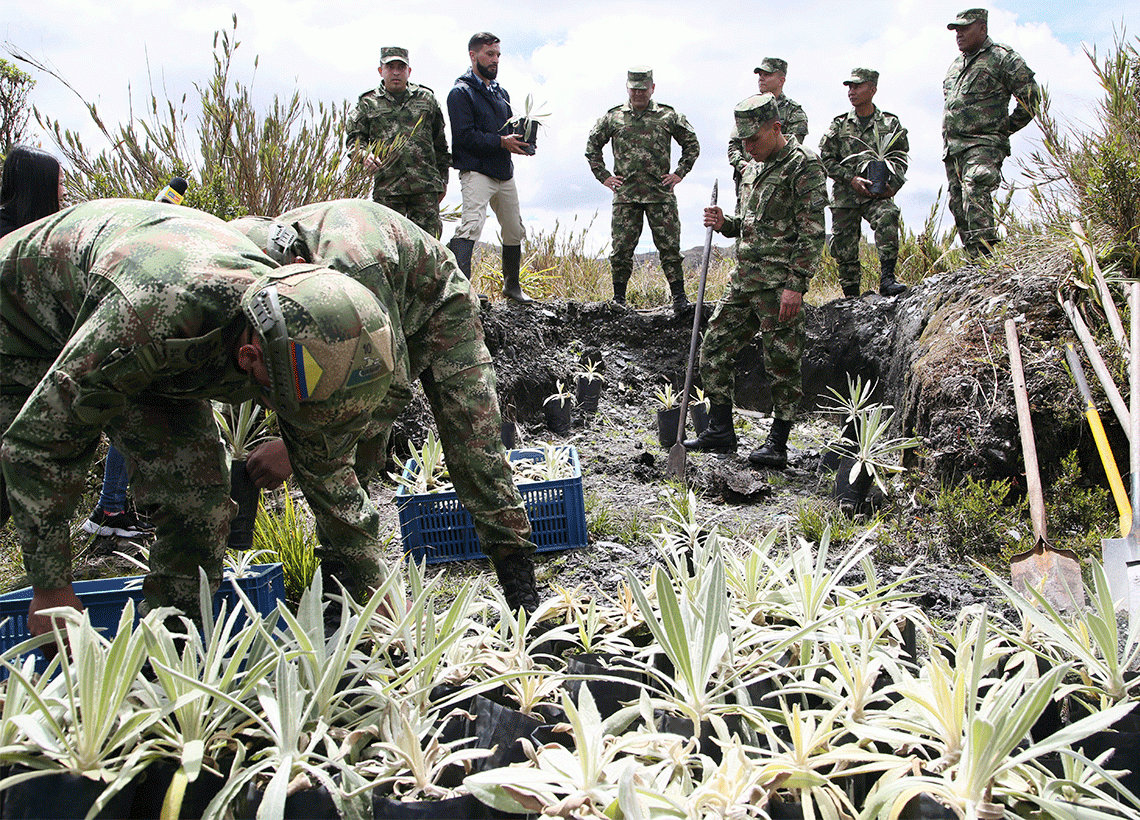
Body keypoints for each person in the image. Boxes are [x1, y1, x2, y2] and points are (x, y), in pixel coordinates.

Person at [0, 199, 395, 638]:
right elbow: (41, 444)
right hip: (20, 321)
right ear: (249, 357)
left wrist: (371, 581)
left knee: (199, 500)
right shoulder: (152, 319)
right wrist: (51, 587)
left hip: (144, 337)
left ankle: (173, 653)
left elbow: (327, 468)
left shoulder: (301, 330)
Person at [231, 200, 542, 612]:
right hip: (374, 316)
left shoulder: (347, 272)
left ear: (302, 266)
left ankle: (521, 588)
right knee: (343, 470)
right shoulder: (255, 261)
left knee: (475, 445)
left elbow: (386, 387)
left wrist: (293, 448)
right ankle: (343, 594)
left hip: (439, 310)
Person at [0, 146, 153, 538]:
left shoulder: (41, 235)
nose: (64, 194)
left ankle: (109, 507)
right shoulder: (20, 240)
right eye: (59, 185)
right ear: (39, 188)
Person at [684, 94, 827, 470]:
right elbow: (752, 226)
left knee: (781, 362)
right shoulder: (751, 167)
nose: (747, 147)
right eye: (743, 140)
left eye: (754, 139)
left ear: (777, 128)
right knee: (714, 348)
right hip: (743, 281)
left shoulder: (804, 165)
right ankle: (720, 429)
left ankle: (777, 444)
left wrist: (797, 284)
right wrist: (724, 222)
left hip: (778, 287)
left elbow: (812, 232)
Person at [585, 66, 700, 315]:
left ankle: (679, 298)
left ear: (652, 88)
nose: (638, 94)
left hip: (660, 194)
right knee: (621, 250)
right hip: (626, 196)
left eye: (643, 89)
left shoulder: (668, 116)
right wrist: (604, 176)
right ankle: (619, 300)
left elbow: (692, 144)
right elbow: (592, 147)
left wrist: (680, 173)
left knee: (670, 248)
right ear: (628, 88)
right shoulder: (613, 117)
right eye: (634, 89)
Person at [944, 8, 1040, 258]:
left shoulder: (1003, 58)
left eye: (965, 28)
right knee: (958, 203)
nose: (959, 34)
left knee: (975, 186)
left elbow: (1031, 98)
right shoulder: (955, 66)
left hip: (984, 144)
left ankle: (985, 259)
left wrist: (1003, 129)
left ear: (983, 28)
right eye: (956, 30)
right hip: (954, 148)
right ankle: (974, 261)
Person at [446, 31, 534, 304]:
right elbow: (464, 136)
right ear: (473, 55)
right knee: (471, 226)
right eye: (489, 55)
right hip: (476, 171)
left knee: (513, 228)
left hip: (503, 173)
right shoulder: (460, 93)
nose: (495, 60)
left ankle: (512, 287)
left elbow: (509, 130)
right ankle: (462, 292)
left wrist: (523, 142)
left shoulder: (501, 92)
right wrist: (501, 142)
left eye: (498, 55)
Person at [819, 68, 909, 298]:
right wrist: (850, 179)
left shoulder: (889, 123)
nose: (852, 91)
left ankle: (888, 279)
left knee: (888, 215)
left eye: (857, 86)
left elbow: (901, 158)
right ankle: (851, 296)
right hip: (845, 195)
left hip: (875, 195)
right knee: (844, 245)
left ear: (873, 89)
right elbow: (826, 159)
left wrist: (894, 185)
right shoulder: (839, 125)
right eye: (849, 87)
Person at [346, 46, 451, 239]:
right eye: (390, 67)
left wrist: (443, 181)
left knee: (429, 247)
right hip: (388, 188)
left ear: (409, 71)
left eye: (401, 67)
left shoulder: (426, 99)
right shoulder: (368, 102)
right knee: (387, 245)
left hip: (425, 188)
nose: (396, 72)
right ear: (381, 71)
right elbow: (354, 140)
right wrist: (363, 156)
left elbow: (440, 146)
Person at [728, 58, 808, 188]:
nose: (761, 79)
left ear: (781, 80)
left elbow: (792, 151)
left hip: (776, 182)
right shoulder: (750, 108)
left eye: (767, 75)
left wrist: (759, 168)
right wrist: (743, 165)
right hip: (746, 181)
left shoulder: (794, 112)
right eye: (760, 75)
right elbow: (734, 145)